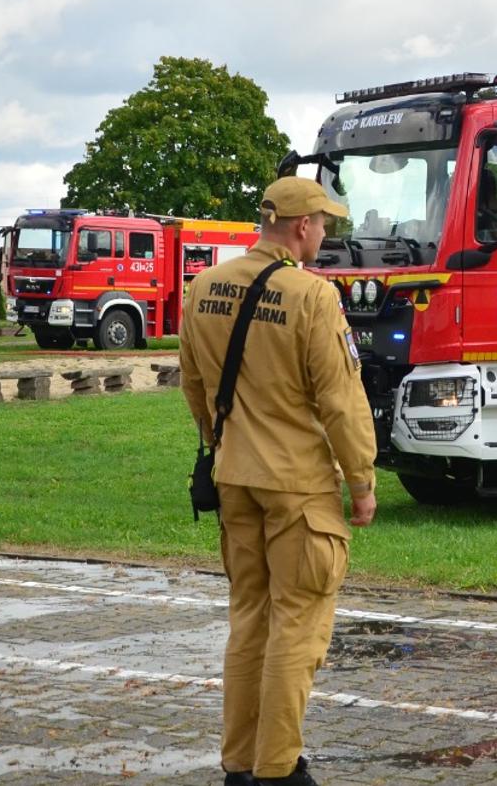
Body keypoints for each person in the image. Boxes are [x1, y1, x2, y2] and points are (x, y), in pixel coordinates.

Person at [179, 176, 376, 786]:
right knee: (298, 624)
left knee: (250, 622)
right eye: (324, 224)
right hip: (297, 487)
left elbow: (192, 385)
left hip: (235, 476)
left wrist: (219, 442)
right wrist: (363, 480)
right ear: (299, 226)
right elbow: (341, 401)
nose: (326, 234)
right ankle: (279, 768)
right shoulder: (311, 296)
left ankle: (239, 763)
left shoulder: (204, 287)